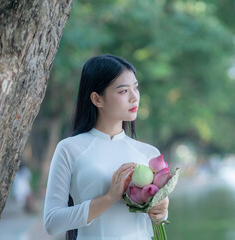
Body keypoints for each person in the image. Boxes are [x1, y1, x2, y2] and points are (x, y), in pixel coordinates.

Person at [43, 54, 169, 240]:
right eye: (123, 91)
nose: (134, 98)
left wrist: (162, 211)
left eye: (136, 88)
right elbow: (52, 222)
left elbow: (154, 223)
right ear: (97, 99)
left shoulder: (149, 154)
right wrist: (109, 198)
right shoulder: (70, 149)